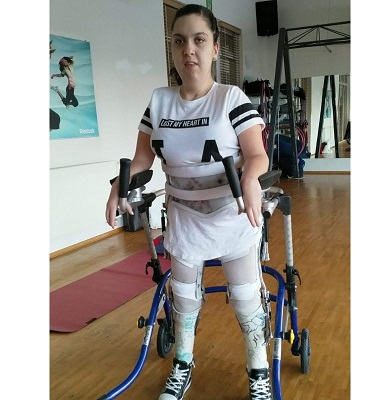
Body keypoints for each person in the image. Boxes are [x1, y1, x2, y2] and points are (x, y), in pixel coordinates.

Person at [105, 4, 271, 399]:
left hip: (232, 216)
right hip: (184, 219)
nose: (188, 50)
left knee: (245, 299)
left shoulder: (230, 98)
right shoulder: (159, 102)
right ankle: (183, 364)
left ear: (215, 48)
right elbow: (142, 159)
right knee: (183, 298)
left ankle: (259, 371)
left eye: (199, 40)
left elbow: (257, 155)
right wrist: (118, 185)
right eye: (179, 41)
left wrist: (250, 176)